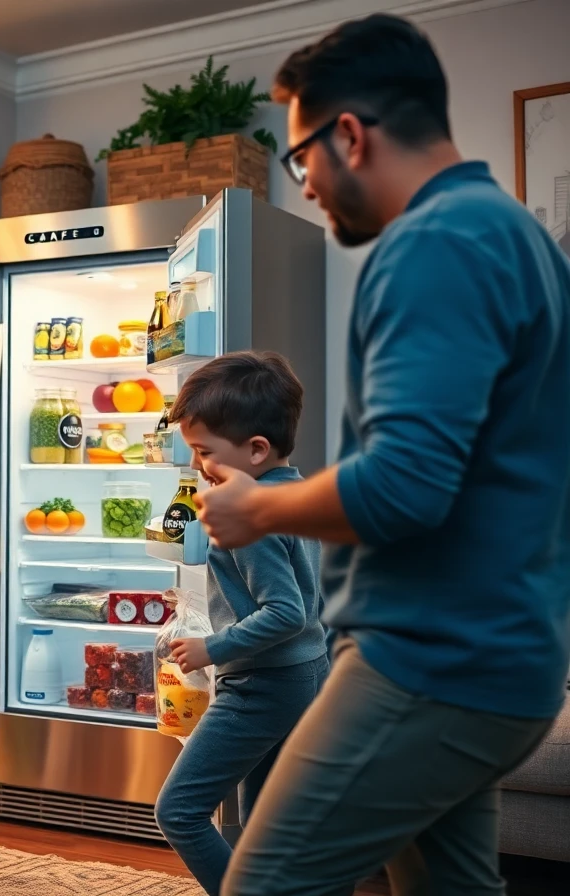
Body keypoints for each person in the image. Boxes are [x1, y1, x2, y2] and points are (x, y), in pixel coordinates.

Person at [191, 15, 570, 896]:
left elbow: (407, 485)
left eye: (302, 160)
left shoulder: (433, 244)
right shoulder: (517, 238)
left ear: (350, 135)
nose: (309, 188)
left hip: (432, 662)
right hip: (507, 659)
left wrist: (259, 506)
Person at [154, 352, 328, 896]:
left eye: (205, 452)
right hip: (303, 674)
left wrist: (212, 646)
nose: (200, 466)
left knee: (179, 811)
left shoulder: (247, 513)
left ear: (256, 450)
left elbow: (284, 611)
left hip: (261, 685)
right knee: (265, 828)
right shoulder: (294, 493)